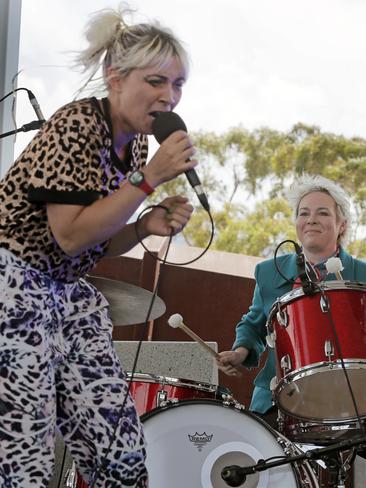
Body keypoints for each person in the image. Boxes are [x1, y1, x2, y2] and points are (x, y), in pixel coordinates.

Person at [0, 5, 196, 487]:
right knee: (25, 462)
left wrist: (145, 225)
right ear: (114, 77)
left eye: (177, 86)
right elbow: (69, 236)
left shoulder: (135, 145)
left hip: (67, 288)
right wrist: (148, 183)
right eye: (156, 82)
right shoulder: (77, 126)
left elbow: (96, 243)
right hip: (13, 281)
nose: (168, 97)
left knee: (121, 452)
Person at [217, 174, 366, 427]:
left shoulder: (362, 275)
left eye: (323, 213)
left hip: (354, 399)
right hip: (280, 399)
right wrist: (242, 350)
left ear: (342, 224)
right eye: (303, 213)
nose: (311, 220)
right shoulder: (268, 271)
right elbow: (255, 324)